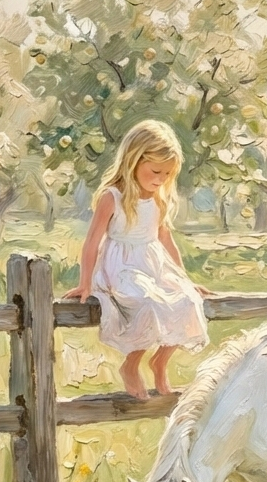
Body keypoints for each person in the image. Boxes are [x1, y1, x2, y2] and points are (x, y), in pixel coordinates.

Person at [75, 119, 208, 397]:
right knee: (147, 302)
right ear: (133, 160)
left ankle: (160, 362)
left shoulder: (158, 199)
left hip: (153, 263)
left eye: (167, 174)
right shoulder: (113, 197)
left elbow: (166, 240)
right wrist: (85, 283)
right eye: (155, 171)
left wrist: (184, 280)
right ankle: (131, 364)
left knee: (188, 300)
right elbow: (92, 242)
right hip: (122, 267)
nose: (160, 179)